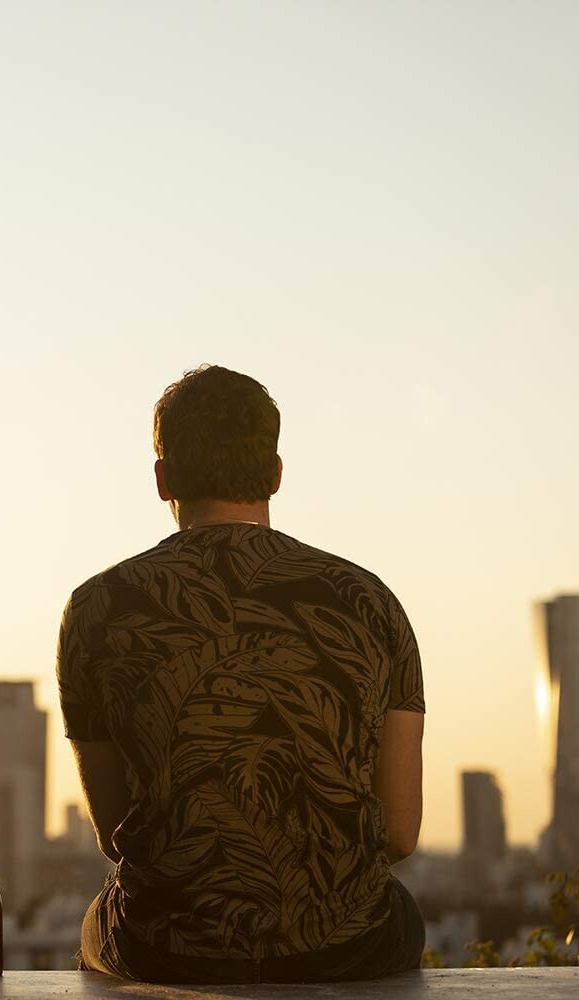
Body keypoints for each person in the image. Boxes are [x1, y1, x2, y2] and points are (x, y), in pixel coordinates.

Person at [57, 365, 425, 984]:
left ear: (162, 478)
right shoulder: (370, 602)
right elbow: (400, 832)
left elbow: (117, 834)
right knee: (402, 912)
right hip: (344, 946)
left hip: (168, 947)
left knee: (100, 919)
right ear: (276, 474)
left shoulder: (98, 607)